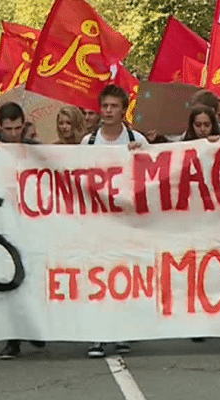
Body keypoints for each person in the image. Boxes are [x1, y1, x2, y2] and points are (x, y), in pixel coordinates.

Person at [81, 84, 147, 358]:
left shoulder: (137, 139)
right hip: (97, 223)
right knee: (97, 277)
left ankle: (122, 333)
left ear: (123, 110)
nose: (108, 111)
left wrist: (139, 156)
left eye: (113, 107)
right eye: (104, 106)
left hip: (127, 221)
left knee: (123, 276)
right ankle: (97, 335)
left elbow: (155, 174)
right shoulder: (88, 143)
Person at [0, 102, 45, 360]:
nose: (13, 133)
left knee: (33, 277)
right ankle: (12, 339)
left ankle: (33, 327)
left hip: (32, 222)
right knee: (8, 280)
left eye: (18, 128)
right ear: (0, 126)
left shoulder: (36, 149)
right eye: (8, 128)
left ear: (24, 125)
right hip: (1, 224)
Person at [80, 85, 148, 147]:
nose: (108, 110)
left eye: (114, 106)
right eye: (105, 106)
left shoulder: (138, 140)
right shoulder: (87, 142)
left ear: (124, 109)